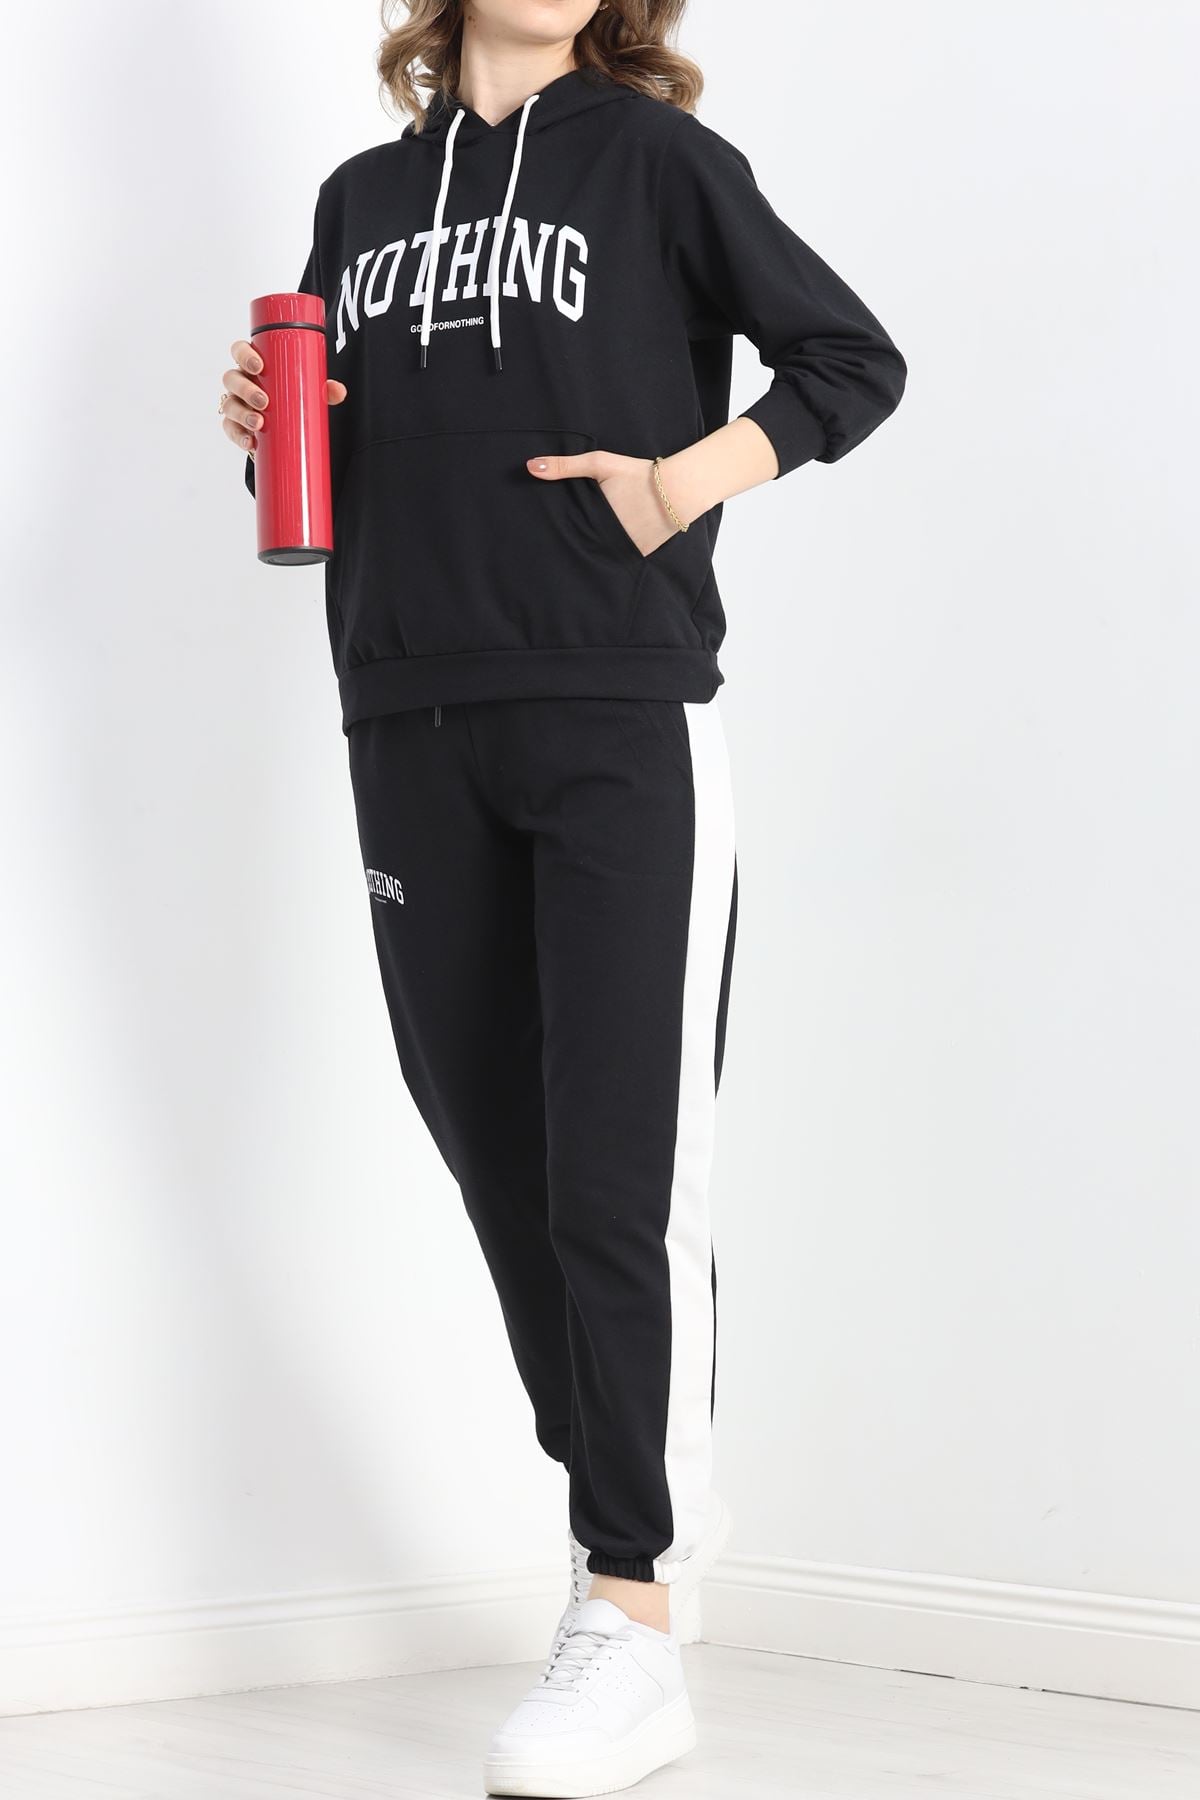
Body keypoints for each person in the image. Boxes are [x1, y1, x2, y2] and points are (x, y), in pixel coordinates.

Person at [219, 2, 905, 1793]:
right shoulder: (362, 199)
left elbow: (850, 358)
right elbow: (348, 450)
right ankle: (635, 1492)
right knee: (493, 1151)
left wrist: (683, 483)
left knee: (617, 1167)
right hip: (402, 707)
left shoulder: (656, 160)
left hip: (614, 713)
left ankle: (632, 1602)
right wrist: (261, 421)